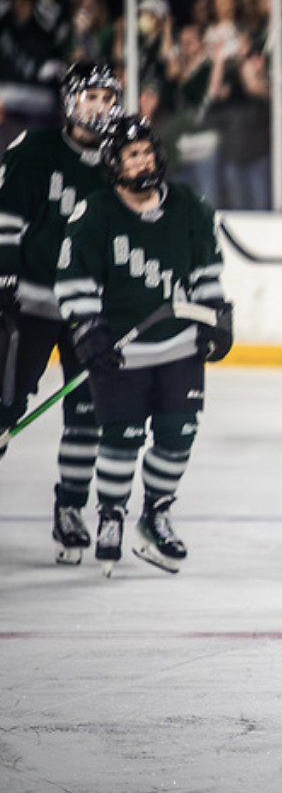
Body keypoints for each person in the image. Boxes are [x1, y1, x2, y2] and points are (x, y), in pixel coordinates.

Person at [55, 115, 233, 575]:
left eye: (148, 152)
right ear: (114, 164)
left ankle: (155, 515)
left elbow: (207, 273)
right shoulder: (95, 212)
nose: (144, 160)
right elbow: (75, 281)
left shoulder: (190, 205)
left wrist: (216, 317)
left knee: (177, 437)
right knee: (122, 438)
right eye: (133, 155)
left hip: (179, 347)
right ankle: (111, 513)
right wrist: (88, 331)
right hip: (122, 350)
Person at [0, 61, 122, 564]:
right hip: (30, 302)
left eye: (106, 98)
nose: (98, 107)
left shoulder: (121, 160)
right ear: (71, 101)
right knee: (5, 405)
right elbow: (6, 218)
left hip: (89, 311)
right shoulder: (35, 149)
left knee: (88, 414)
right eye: (89, 97)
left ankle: (70, 508)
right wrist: (4, 277)